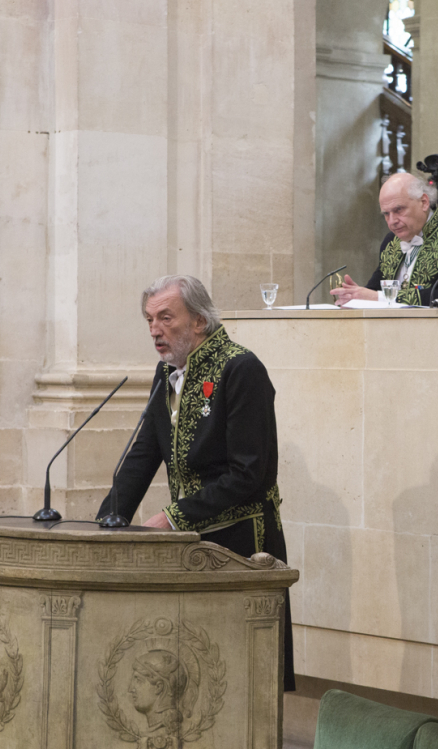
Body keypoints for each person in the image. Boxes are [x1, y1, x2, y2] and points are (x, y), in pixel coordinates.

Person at [95, 275, 294, 691]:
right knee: (194, 671)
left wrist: (172, 517)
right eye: (149, 319)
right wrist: (106, 524)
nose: (154, 330)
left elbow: (248, 474)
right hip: (192, 540)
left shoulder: (241, 369)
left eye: (166, 317)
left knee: (239, 672)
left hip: (242, 543)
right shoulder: (167, 372)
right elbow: (143, 455)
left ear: (200, 320)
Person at [329, 172, 438, 306]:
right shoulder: (390, 241)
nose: (392, 221)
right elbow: (374, 289)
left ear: (424, 202)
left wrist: (376, 297)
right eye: (386, 214)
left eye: (398, 210)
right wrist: (355, 295)